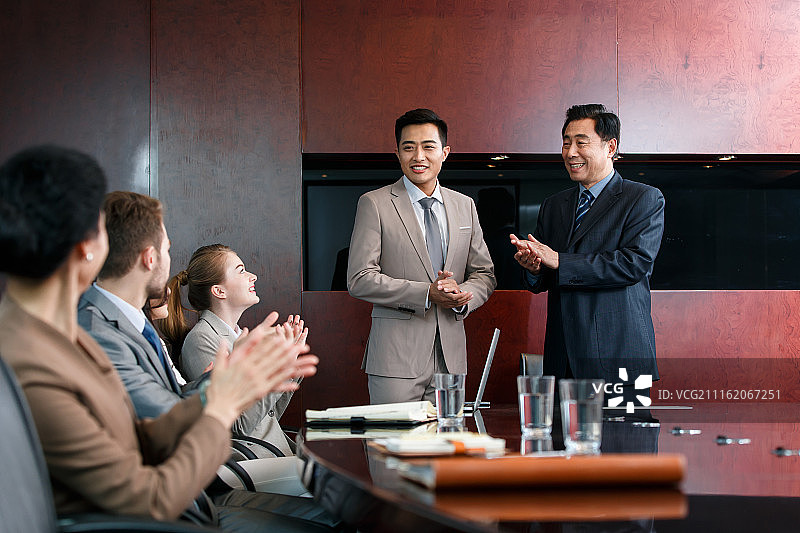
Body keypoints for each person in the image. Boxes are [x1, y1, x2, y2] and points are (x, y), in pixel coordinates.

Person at [0, 145, 332, 530]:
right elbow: (151, 498)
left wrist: (223, 387)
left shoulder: (53, 333)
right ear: (87, 248)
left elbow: (137, 435)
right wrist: (221, 406)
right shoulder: (37, 354)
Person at [510, 104, 664, 391]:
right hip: (563, 357)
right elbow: (545, 275)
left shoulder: (643, 198)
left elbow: (633, 264)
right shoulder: (554, 205)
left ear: (610, 147)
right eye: (566, 143)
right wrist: (534, 267)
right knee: (561, 435)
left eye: (581, 142)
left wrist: (559, 260)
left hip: (619, 356)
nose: (570, 153)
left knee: (627, 435)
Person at [347, 108, 496, 404]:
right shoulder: (374, 203)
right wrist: (426, 294)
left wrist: (460, 294)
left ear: (445, 152)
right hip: (395, 359)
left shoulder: (464, 205)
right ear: (397, 153)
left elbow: (484, 274)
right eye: (408, 147)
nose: (419, 156)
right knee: (394, 448)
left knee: (445, 448)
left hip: (450, 359)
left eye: (428, 147)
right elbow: (359, 279)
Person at [160, 243, 306, 457]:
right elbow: (238, 427)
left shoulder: (240, 336)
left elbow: (268, 415)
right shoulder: (201, 340)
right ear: (219, 291)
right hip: (252, 460)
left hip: (276, 452)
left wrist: (289, 363)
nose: (253, 276)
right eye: (241, 270)